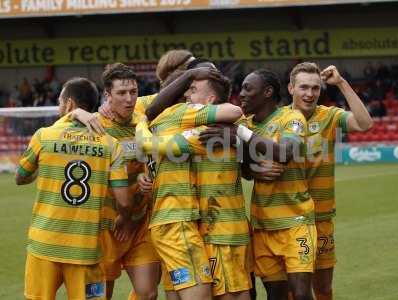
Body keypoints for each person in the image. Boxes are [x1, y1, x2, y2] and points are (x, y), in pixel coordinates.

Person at [200, 69, 315, 300]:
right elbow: (243, 169)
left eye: (247, 88)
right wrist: (255, 169)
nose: (241, 94)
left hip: (295, 222)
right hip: (262, 226)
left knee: (301, 294)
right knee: (275, 294)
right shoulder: (246, 124)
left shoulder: (291, 119)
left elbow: (284, 153)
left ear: (268, 92)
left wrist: (239, 133)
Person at [16, 77, 133, 300]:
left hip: (44, 245)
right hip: (86, 248)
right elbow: (125, 202)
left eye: (61, 102)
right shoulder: (110, 144)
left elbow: (21, 177)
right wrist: (124, 219)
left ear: (69, 104)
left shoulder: (44, 135)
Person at [140, 73, 252, 300]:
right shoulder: (188, 120)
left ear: (210, 100)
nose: (187, 95)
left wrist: (141, 128)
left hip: (219, 231)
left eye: (193, 90)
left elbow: (251, 166)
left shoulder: (211, 128)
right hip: (190, 225)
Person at [70, 63, 161, 300]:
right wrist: (77, 112)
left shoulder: (144, 122)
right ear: (108, 95)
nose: (129, 99)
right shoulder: (95, 126)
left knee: (148, 293)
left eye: (133, 92)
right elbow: (61, 127)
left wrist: (148, 178)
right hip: (106, 228)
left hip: (139, 223)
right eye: (121, 93)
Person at [285, 63, 372, 300]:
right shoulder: (279, 120)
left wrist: (341, 83)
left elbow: (365, 124)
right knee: (295, 291)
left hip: (322, 219)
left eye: (315, 88)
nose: (309, 93)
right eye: (303, 87)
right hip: (289, 221)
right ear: (291, 88)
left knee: (323, 289)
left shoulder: (329, 116)